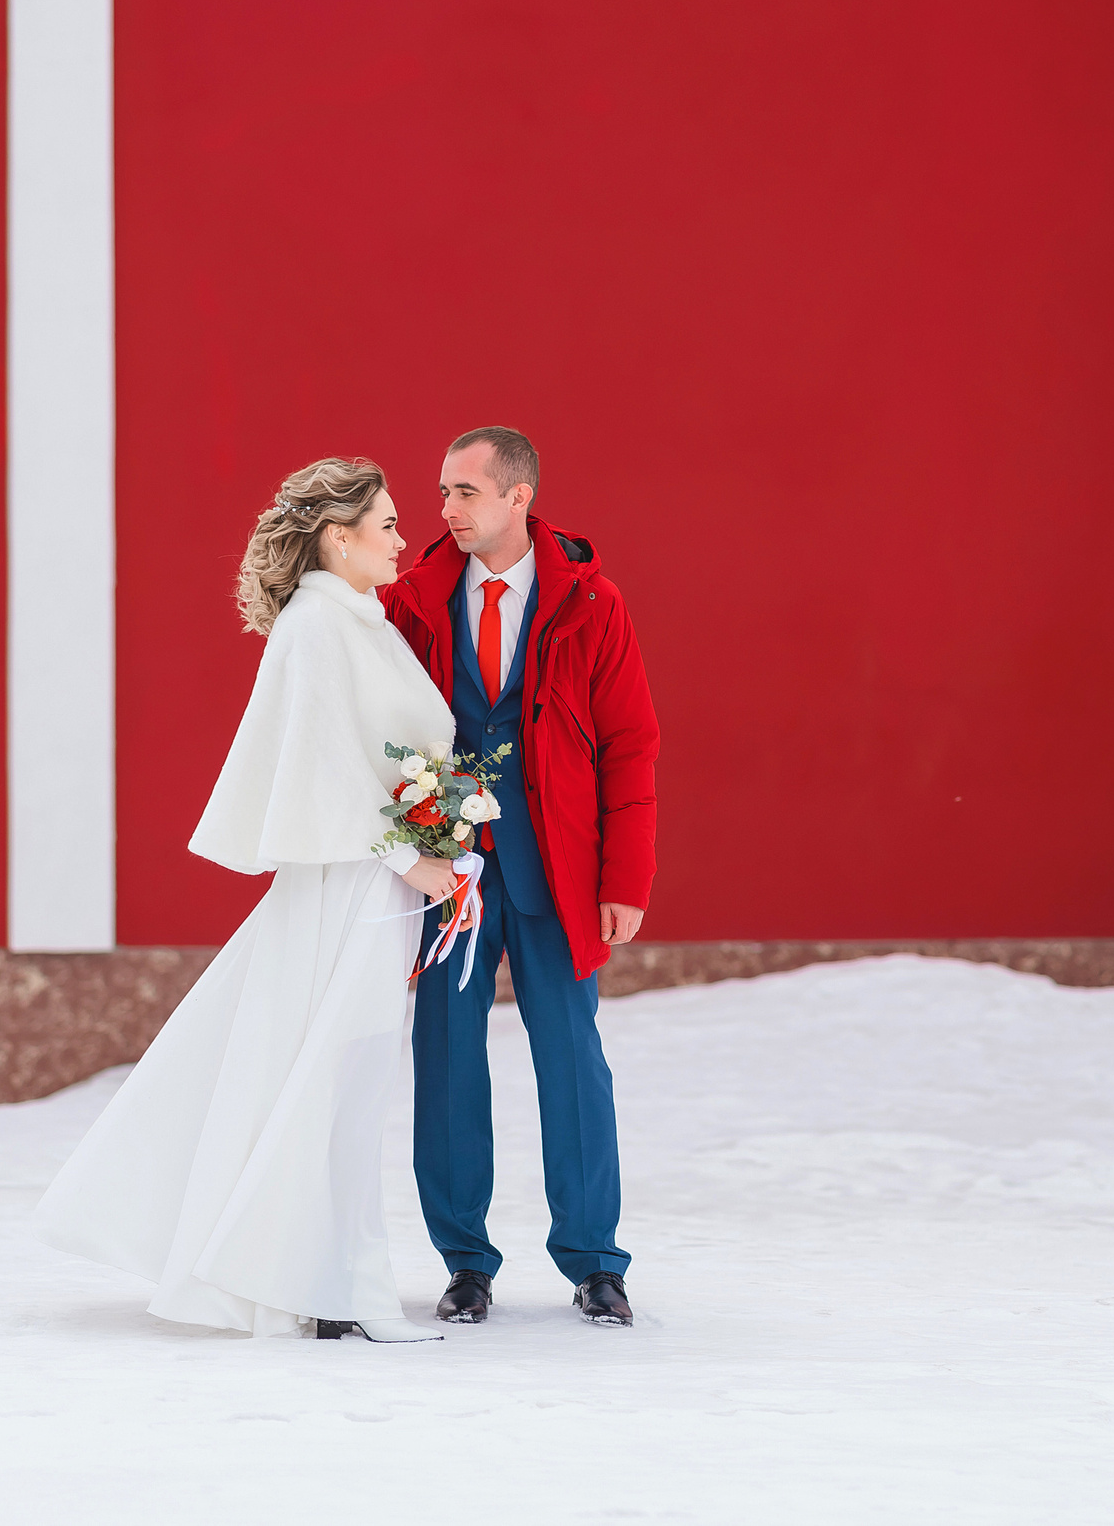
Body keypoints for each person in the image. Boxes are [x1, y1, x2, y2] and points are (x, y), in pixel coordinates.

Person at [34, 457, 463, 1343]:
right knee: (330, 1071)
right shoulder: (316, 626)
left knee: (345, 1075)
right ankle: (324, 1286)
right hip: (348, 881)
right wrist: (412, 857)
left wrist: (438, 838)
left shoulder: (361, 620)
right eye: (385, 524)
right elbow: (323, 767)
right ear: (338, 538)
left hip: (375, 879)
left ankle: (320, 1274)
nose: (401, 537)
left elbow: (379, 756)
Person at [380, 426, 659, 1327]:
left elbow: (629, 744)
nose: (447, 510)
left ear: (518, 497)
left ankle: (595, 1260)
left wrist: (627, 878)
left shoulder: (593, 601)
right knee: (448, 1058)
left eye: (465, 492)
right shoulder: (413, 600)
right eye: (443, 493)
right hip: (449, 871)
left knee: (572, 1058)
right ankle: (465, 1262)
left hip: (559, 870)